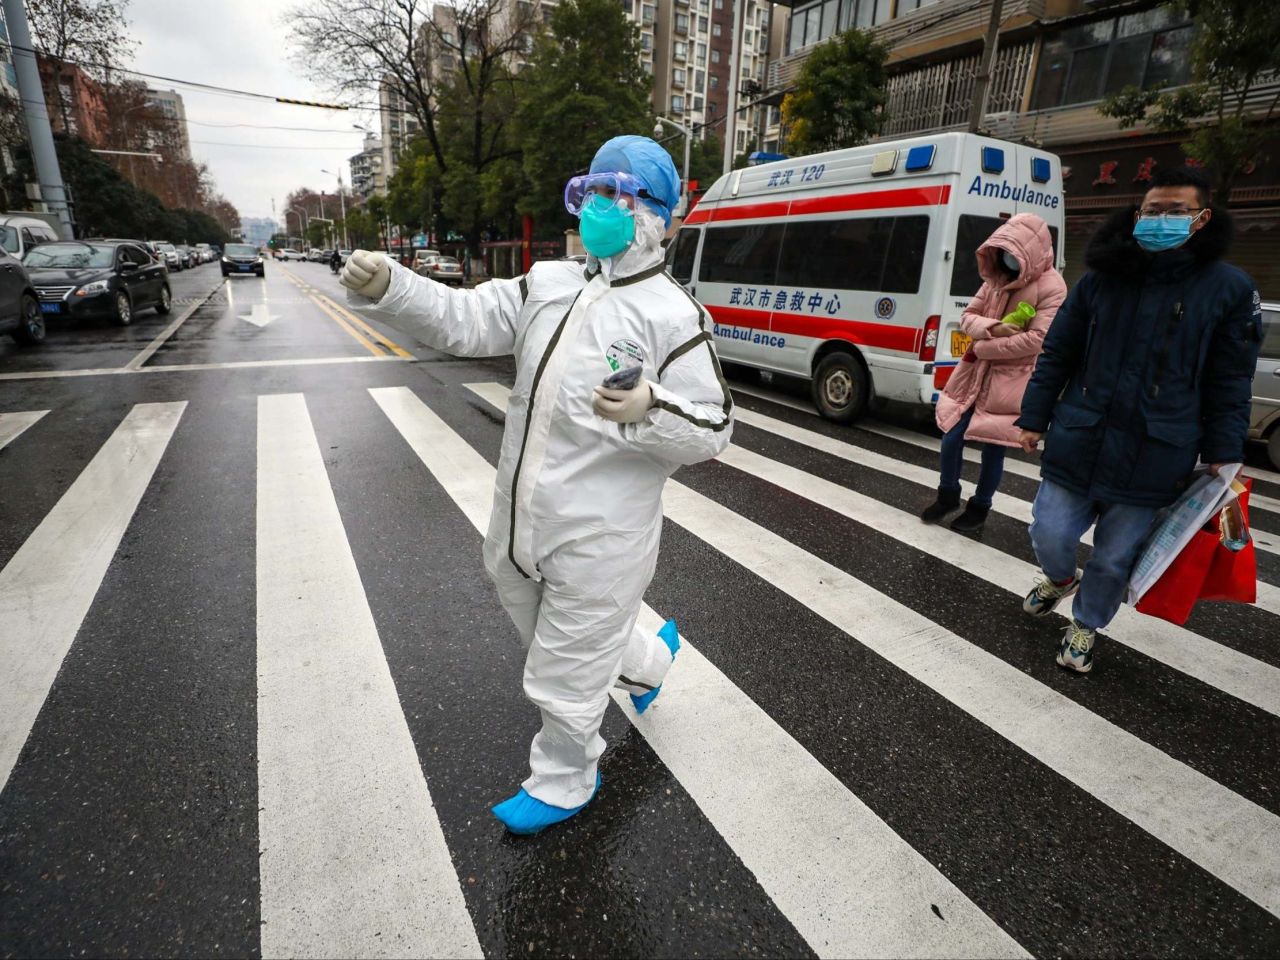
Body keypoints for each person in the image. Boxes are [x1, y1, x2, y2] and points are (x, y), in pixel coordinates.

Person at [339, 135, 733, 833]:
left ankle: (564, 779)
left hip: (602, 536)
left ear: (659, 217)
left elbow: (713, 428)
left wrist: (654, 407)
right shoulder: (548, 283)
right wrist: (393, 288)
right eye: (593, 191)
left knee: (564, 667)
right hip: (520, 522)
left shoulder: (674, 318)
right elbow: (465, 319)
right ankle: (646, 661)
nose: (602, 209)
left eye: (622, 196)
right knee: (553, 632)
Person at [1016, 167, 1262, 673]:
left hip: (1157, 450)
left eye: (1175, 212)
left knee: (1112, 557)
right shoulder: (1101, 279)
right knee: (1050, 531)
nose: (1161, 220)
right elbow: (1058, 351)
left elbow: (1230, 378)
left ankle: (1086, 624)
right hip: (1081, 433)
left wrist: (1225, 449)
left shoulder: (1228, 289)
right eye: (1152, 211)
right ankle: (1060, 577)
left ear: (1202, 218)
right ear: (1136, 215)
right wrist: (1034, 416)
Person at [922, 213, 1066, 533]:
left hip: (1011, 381)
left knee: (994, 448)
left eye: (1013, 252)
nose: (1007, 258)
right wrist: (995, 328)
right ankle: (948, 495)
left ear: (1032, 250)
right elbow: (969, 316)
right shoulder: (996, 278)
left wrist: (984, 347)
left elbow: (1038, 341)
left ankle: (980, 508)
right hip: (975, 374)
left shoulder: (1052, 286)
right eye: (1002, 251)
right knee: (952, 437)